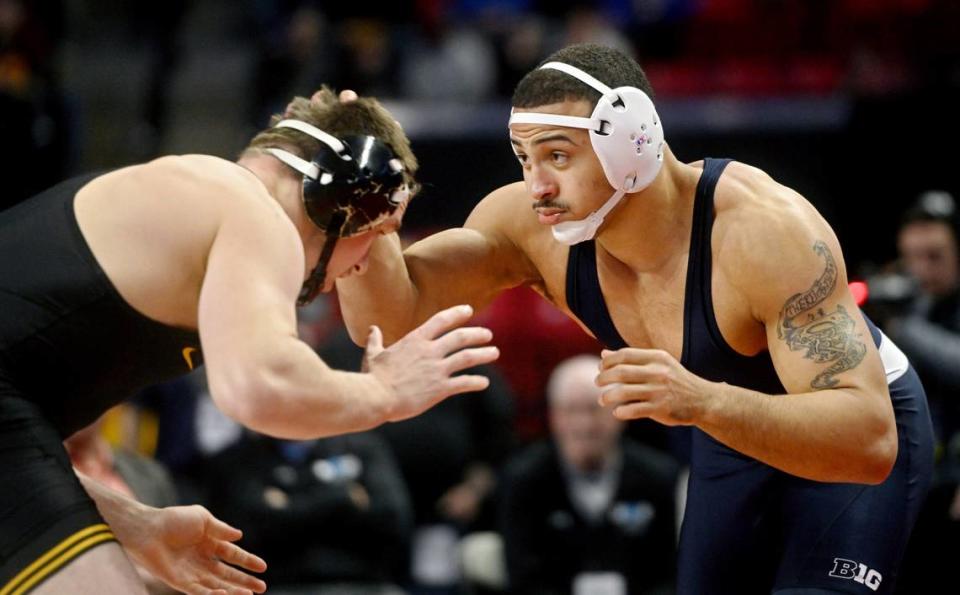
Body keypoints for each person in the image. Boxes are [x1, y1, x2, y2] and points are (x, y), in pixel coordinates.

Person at [336, 43, 935, 594]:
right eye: (524, 158)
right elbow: (391, 320)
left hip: (847, 426)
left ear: (633, 142)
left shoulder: (761, 232)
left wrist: (702, 404)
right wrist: (361, 224)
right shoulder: (528, 228)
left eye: (557, 155)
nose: (536, 185)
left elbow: (869, 440)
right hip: (729, 432)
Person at [0, 87, 499, 595]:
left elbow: (23, 449)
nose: (368, 260)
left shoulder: (205, 211)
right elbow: (257, 390)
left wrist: (135, 525)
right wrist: (385, 394)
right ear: (341, 201)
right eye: (381, 229)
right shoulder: (252, 210)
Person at [499, 354, 678, 595]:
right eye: (571, 411)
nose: (584, 424)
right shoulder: (524, 479)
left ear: (620, 412)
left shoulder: (658, 476)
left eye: (594, 410)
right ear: (554, 417)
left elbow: (669, 573)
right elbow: (522, 579)